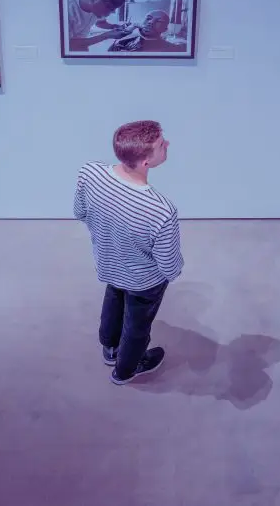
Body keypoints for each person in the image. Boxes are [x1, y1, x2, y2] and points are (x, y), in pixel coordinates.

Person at [72, 120, 184, 384]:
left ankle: (110, 348)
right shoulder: (161, 210)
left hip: (108, 263)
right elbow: (170, 267)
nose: (167, 144)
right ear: (146, 162)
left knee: (114, 298)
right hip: (145, 281)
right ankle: (125, 370)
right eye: (161, 145)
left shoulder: (90, 173)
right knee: (137, 325)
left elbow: (79, 212)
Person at [66, 0, 130, 51]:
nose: (113, 12)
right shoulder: (67, 10)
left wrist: (114, 26)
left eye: (114, 9)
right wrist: (106, 35)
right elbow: (69, 44)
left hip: (82, 49)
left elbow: (100, 23)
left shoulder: (95, 7)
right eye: (108, 6)